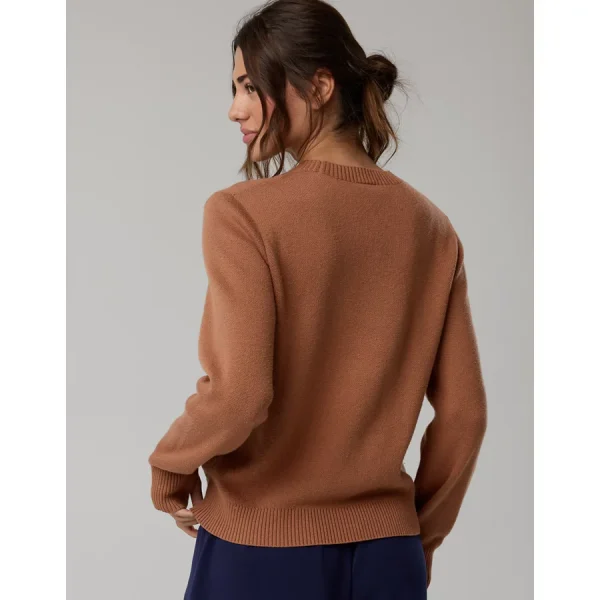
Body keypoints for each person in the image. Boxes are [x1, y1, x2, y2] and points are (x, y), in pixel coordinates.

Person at [147, 1, 488, 598]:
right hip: (388, 558)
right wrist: (415, 537)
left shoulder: (242, 213)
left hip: (261, 553)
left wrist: (169, 463)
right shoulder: (433, 229)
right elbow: (465, 415)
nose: (235, 109)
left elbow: (240, 394)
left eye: (250, 86)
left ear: (320, 86)